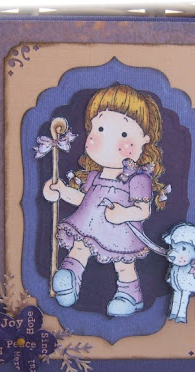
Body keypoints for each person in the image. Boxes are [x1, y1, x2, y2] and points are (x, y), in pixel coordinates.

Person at [43, 84, 167, 317]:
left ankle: (130, 294)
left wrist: (123, 213)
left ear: (145, 140)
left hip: (120, 231)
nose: (106, 138)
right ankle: (69, 279)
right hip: (88, 225)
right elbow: (84, 200)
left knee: (123, 263)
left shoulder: (138, 179)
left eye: (123, 134)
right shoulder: (94, 176)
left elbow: (143, 210)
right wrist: (61, 192)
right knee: (79, 247)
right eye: (99, 128)